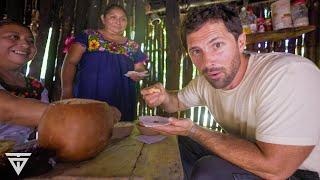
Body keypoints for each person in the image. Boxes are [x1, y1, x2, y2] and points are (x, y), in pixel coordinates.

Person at [141, 4, 320, 180]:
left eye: (217, 45)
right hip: (256, 156)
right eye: (196, 51)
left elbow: (276, 170)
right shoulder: (207, 81)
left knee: (209, 171)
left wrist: (194, 130)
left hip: (299, 172)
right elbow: (176, 103)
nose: (208, 61)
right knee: (182, 144)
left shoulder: (287, 74)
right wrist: (163, 96)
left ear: (240, 42)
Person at [61, 4, 149, 122]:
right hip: (89, 96)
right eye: (113, 17)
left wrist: (138, 74)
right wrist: (67, 91)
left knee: (121, 135)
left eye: (123, 19)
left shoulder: (132, 46)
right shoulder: (89, 36)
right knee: (87, 129)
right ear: (103, 18)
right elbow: (70, 62)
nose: (118, 22)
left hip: (122, 100)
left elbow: (140, 69)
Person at [0, 19, 49, 145]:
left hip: (18, 157)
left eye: (30, 41)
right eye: (14, 37)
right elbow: (8, 110)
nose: (26, 45)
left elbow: (46, 125)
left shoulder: (37, 87)